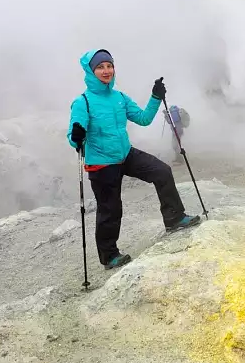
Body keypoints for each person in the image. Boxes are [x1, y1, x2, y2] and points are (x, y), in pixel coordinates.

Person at [67, 49, 201, 270]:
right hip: (102, 163)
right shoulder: (83, 103)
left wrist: (156, 97)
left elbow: (143, 118)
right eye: (100, 67)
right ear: (91, 71)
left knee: (162, 171)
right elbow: (74, 137)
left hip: (125, 154)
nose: (106, 70)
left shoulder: (119, 97)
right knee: (110, 209)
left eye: (109, 65)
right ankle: (109, 256)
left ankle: (175, 218)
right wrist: (77, 136)